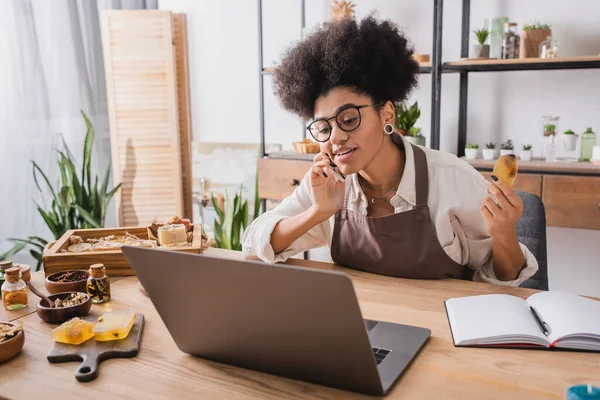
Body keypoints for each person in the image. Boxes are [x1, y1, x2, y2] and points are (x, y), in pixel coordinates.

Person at [243, 16, 538, 286]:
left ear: (386, 115)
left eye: (349, 120)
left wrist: (504, 234)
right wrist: (318, 212)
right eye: (323, 128)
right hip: (358, 328)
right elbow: (254, 241)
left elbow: (505, 281)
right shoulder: (326, 184)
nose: (336, 138)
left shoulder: (451, 179)